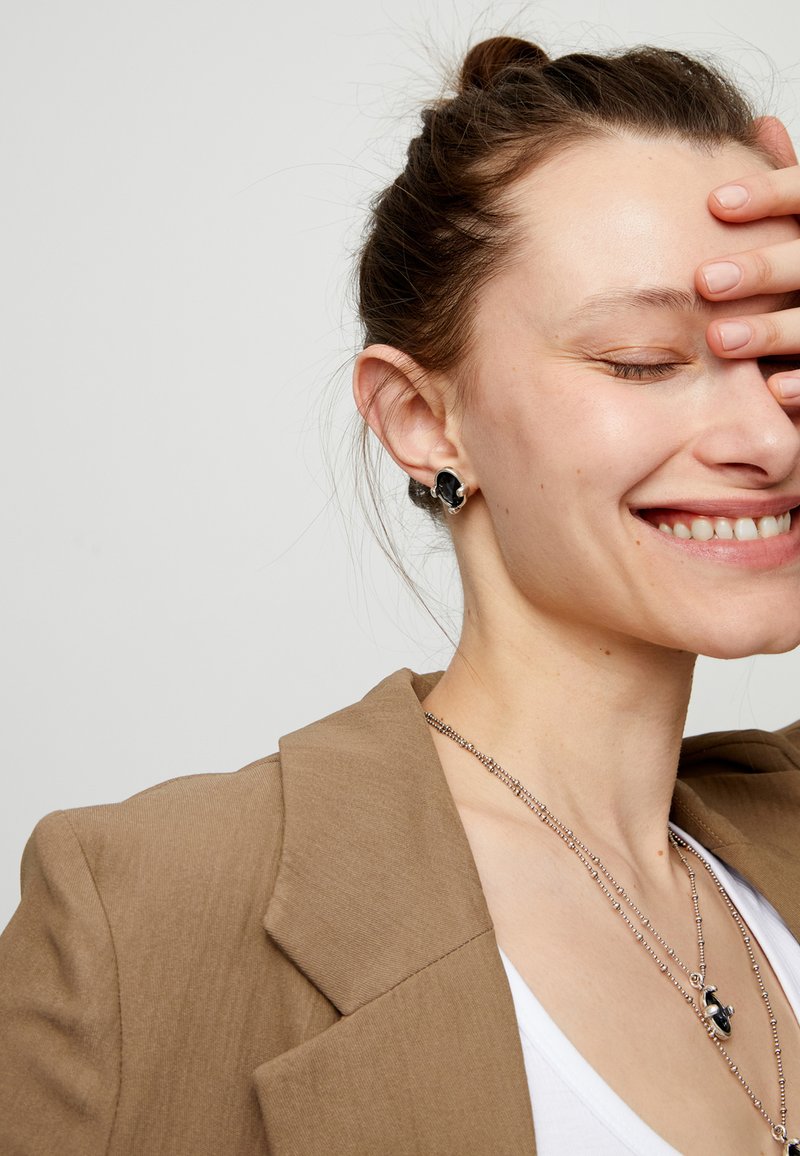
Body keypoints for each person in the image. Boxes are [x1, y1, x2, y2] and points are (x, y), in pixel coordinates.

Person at [2, 32, 800, 1156]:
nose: (765, 436)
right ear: (423, 419)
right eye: (641, 360)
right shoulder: (144, 917)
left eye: (778, 360)